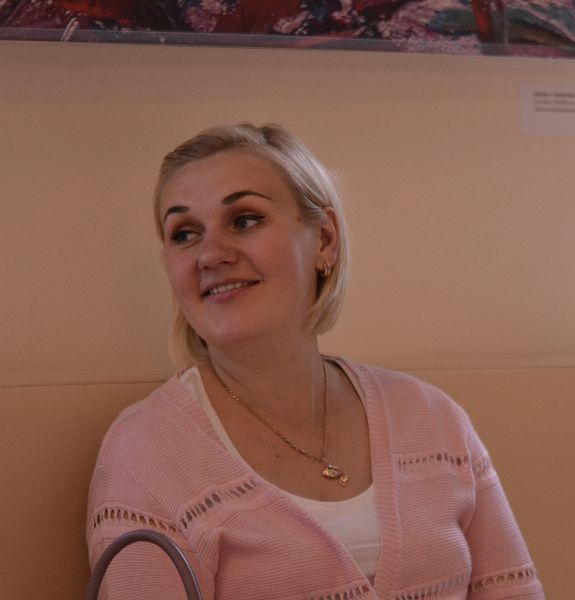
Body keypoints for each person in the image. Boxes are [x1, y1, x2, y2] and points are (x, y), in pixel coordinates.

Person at [86, 123, 544, 599]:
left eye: (244, 220)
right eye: (184, 234)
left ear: (324, 239)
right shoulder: (146, 455)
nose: (211, 254)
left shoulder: (432, 419)